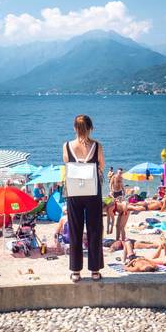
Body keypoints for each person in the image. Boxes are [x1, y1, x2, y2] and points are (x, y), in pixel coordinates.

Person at [63, 114, 104, 282]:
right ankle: (94, 270)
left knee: (75, 230)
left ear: (74, 128)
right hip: (92, 190)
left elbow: (67, 163)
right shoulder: (97, 146)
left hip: (74, 191)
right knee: (94, 229)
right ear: (90, 128)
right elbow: (101, 165)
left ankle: (75, 271)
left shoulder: (66, 146)